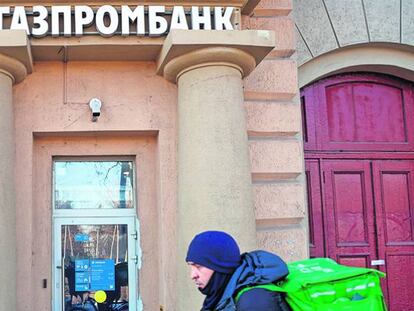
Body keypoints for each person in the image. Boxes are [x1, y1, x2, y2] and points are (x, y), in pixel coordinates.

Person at [186, 231, 292, 311]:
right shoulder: (219, 296)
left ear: (220, 266)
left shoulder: (254, 302)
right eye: (191, 266)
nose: (193, 275)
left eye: (199, 266)